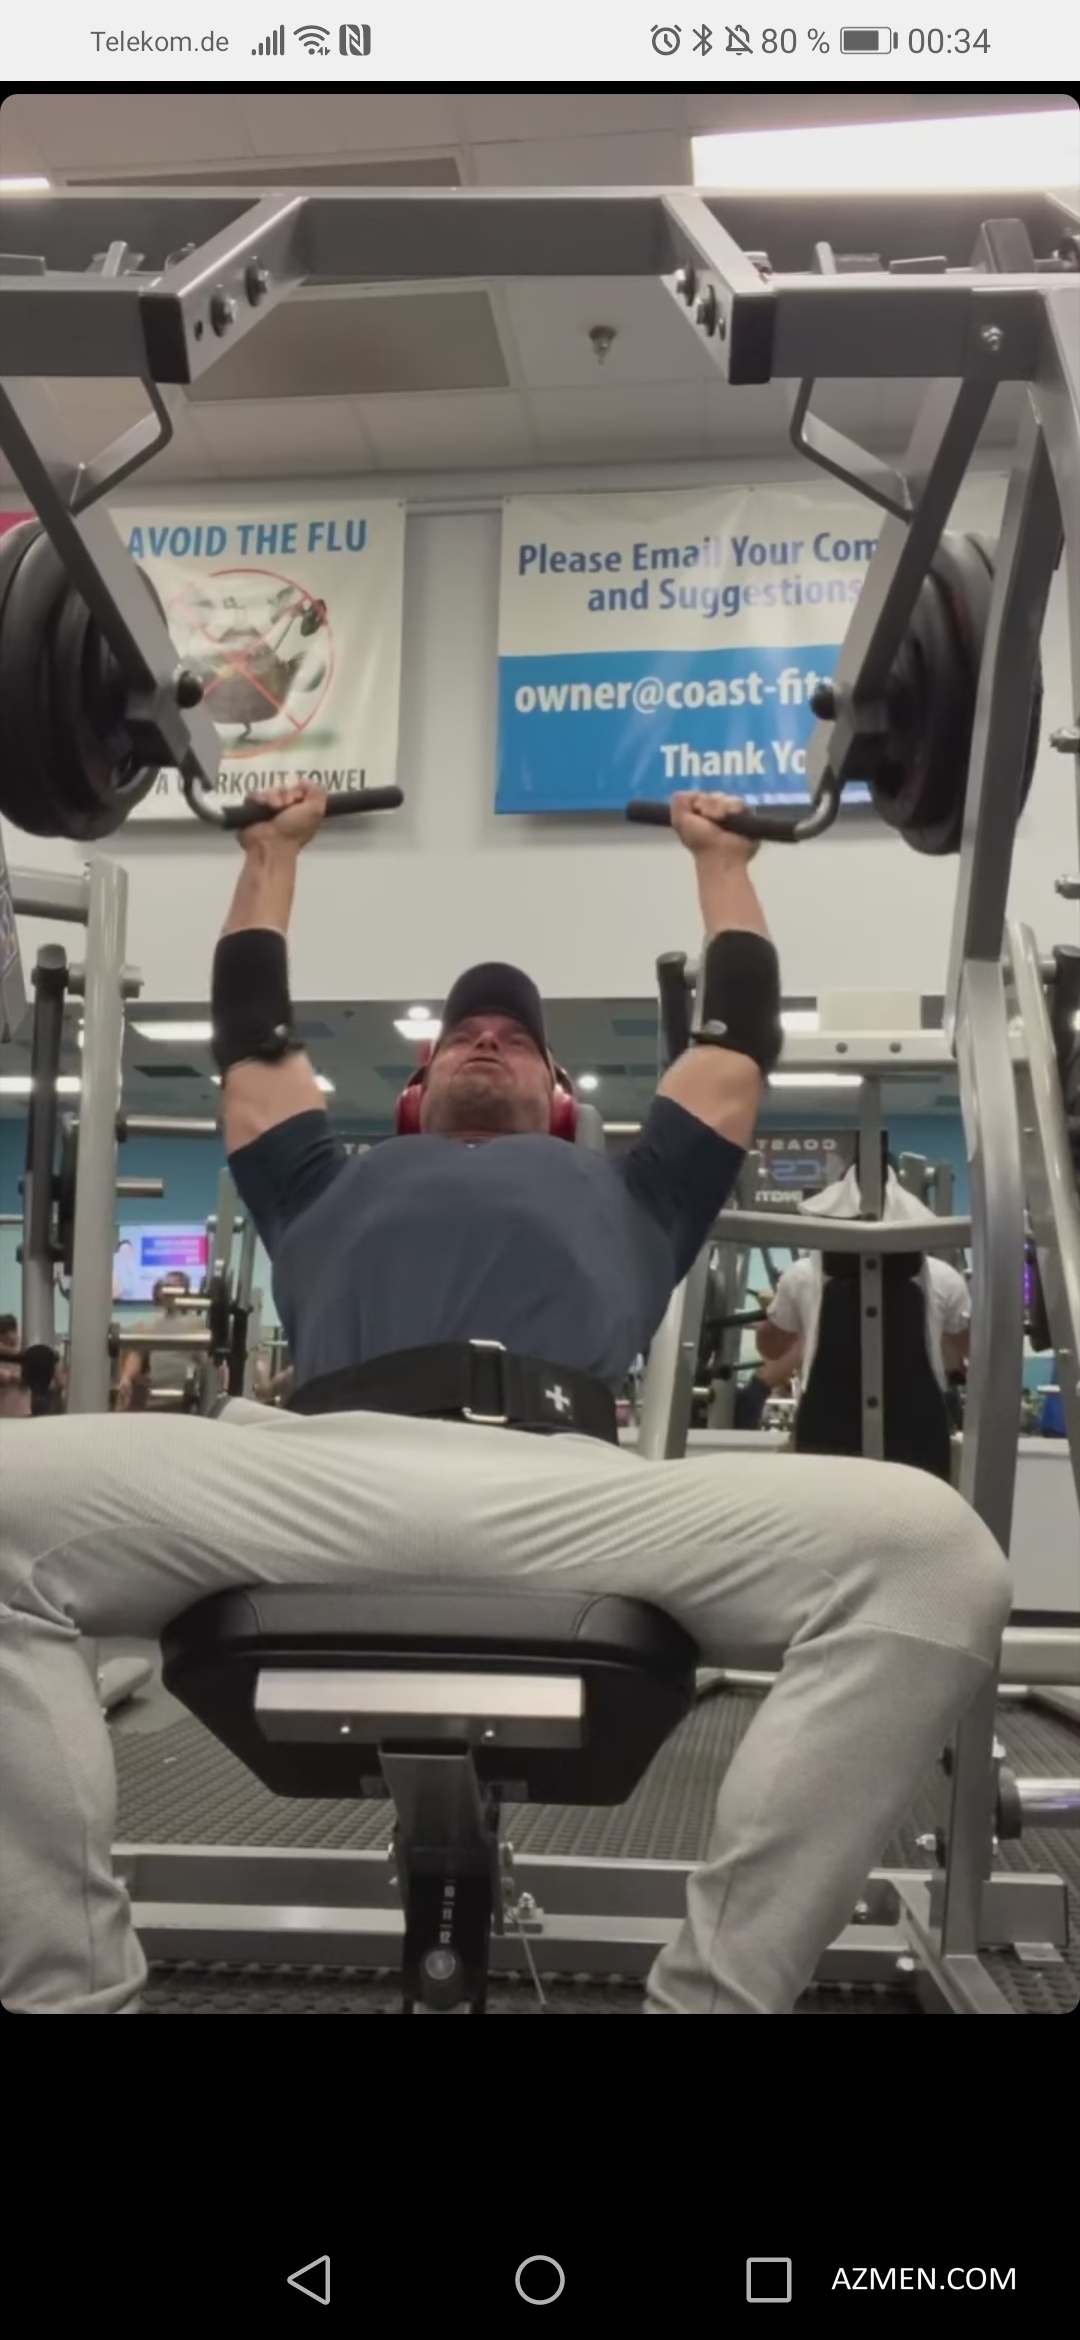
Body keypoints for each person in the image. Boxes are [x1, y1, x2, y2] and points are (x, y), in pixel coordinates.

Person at [0, 784, 1011, 2016]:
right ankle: (69, 1991)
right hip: (313, 1469)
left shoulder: (643, 1191)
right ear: (417, 1087)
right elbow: (253, 1035)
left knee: (938, 1557)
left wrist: (724, 864)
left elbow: (737, 1039)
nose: (486, 1041)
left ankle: (712, 1996)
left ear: (560, 1095)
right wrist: (269, 855)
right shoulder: (319, 1178)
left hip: (569, 1486)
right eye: (462, 1035)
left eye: (516, 1038)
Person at [115, 1272, 193, 1412]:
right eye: (167, 1286)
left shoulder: (196, 1326)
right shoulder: (151, 1326)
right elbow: (137, 1353)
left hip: (185, 1399)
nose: (169, 1292)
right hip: (154, 1400)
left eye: (174, 1287)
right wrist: (126, 1378)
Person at [0, 1314, 31, 1421]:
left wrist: (12, 1377)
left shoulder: (25, 1352)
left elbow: (28, 1380)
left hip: (20, 1408)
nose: (2, 1339)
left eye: (5, 1335)